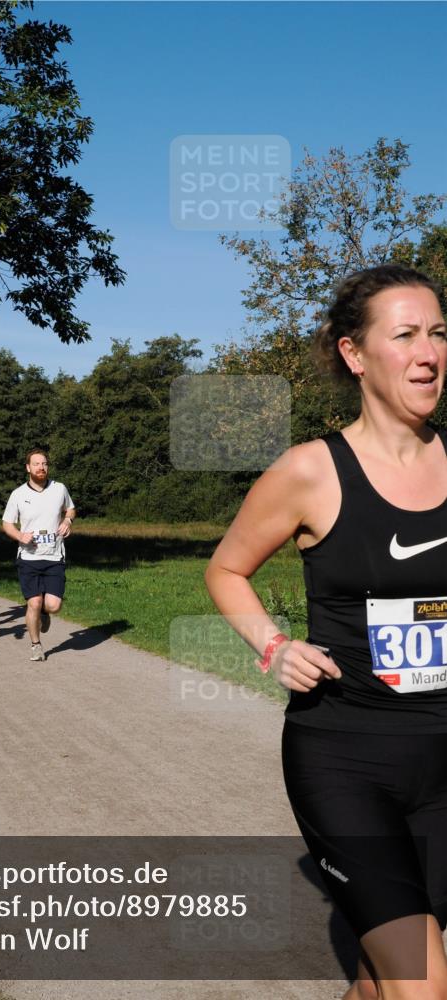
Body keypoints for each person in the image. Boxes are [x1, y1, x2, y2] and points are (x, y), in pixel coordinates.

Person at [205, 264, 447, 1000]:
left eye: (438, 333)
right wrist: (274, 646)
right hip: (345, 758)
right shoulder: (312, 471)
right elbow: (226, 570)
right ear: (354, 354)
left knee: (383, 981)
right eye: (404, 335)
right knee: (424, 986)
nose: (428, 353)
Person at [2, 449, 75, 661]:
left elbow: (70, 509)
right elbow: (7, 523)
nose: (41, 467)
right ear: (28, 468)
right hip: (28, 557)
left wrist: (68, 521)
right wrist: (19, 535)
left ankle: (45, 613)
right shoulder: (18, 494)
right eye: (36, 464)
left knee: (53, 605)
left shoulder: (59, 488)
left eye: (44, 464)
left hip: (54, 556)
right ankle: (36, 645)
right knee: (33, 602)